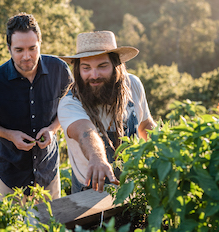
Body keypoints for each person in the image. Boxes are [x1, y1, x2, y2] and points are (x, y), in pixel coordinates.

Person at [0, 13, 72, 201]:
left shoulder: (59, 69)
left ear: (40, 43)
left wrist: (53, 129)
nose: (27, 56)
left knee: (50, 228)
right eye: (19, 50)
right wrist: (9, 134)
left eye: (32, 48)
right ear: (9, 48)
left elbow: (70, 104)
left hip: (48, 171)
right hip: (10, 173)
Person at [57, 31, 156, 194]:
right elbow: (85, 132)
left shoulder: (133, 85)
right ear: (78, 70)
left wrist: (168, 149)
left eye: (102, 66)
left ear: (116, 65)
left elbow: (145, 125)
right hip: (89, 191)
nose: (94, 76)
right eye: (86, 68)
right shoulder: (70, 102)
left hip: (131, 186)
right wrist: (97, 158)